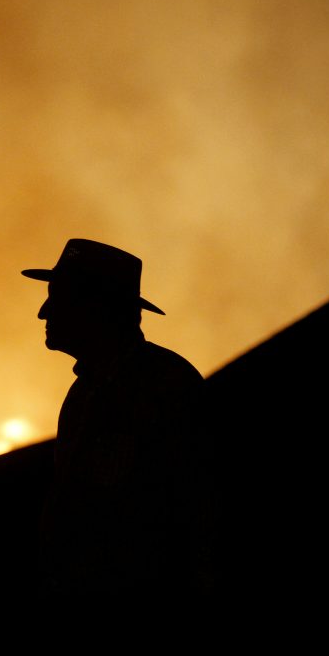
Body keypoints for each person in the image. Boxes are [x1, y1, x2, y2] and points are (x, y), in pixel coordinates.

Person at [23, 239, 211, 602]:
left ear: (95, 307)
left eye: (57, 297)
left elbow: (200, 510)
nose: (43, 313)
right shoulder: (83, 395)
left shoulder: (167, 387)